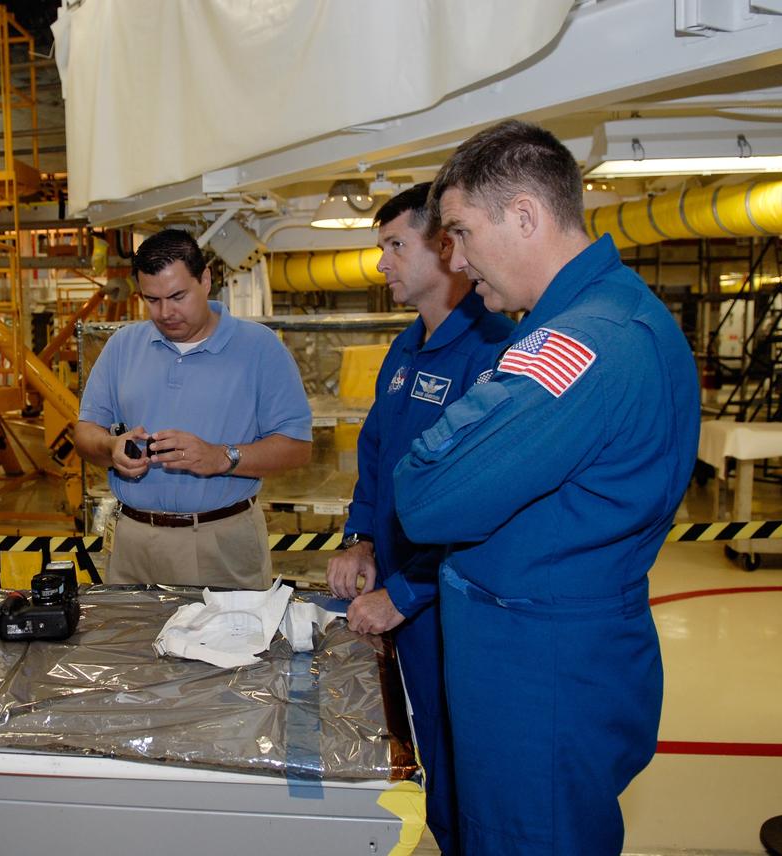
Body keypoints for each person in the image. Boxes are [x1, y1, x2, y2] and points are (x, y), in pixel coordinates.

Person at [394, 120, 699, 855]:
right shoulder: (600, 319)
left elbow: (425, 494)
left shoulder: (584, 344)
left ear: (526, 216)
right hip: (538, 644)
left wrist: (443, 444)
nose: (458, 262)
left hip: (539, 670)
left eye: (462, 234)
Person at [327, 184, 512, 855]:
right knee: (430, 752)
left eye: (394, 246)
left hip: (453, 607)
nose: (383, 264)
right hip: (401, 596)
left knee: (471, 772)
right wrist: (361, 537)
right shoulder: (407, 349)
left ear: (444, 247)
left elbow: (487, 508)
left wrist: (403, 595)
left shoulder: (492, 351)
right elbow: (376, 455)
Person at [76, 228, 312, 589]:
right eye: (151, 300)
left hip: (222, 543)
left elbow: (297, 449)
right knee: (131, 645)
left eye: (177, 296)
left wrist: (222, 457)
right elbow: (85, 431)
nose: (166, 312)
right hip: (134, 545)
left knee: (229, 646)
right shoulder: (123, 346)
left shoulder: (260, 349)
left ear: (205, 280)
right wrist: (111, 449)